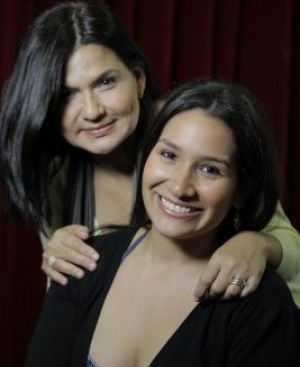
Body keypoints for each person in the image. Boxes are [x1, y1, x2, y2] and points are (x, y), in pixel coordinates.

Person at [0, 0, 299, 305]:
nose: (92, 111)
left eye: (105, 82)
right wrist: (56, 263)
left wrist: (259, 244)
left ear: (138, 79)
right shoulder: (55, 176)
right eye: (67, 95)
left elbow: (292, 254)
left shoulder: (190, 131)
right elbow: (68, 306)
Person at [25, 80, 299, 366]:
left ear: (241, 191)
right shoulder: (81, 261)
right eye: (169, 155)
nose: (181, 187)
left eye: (210, 169)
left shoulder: (262, 303)